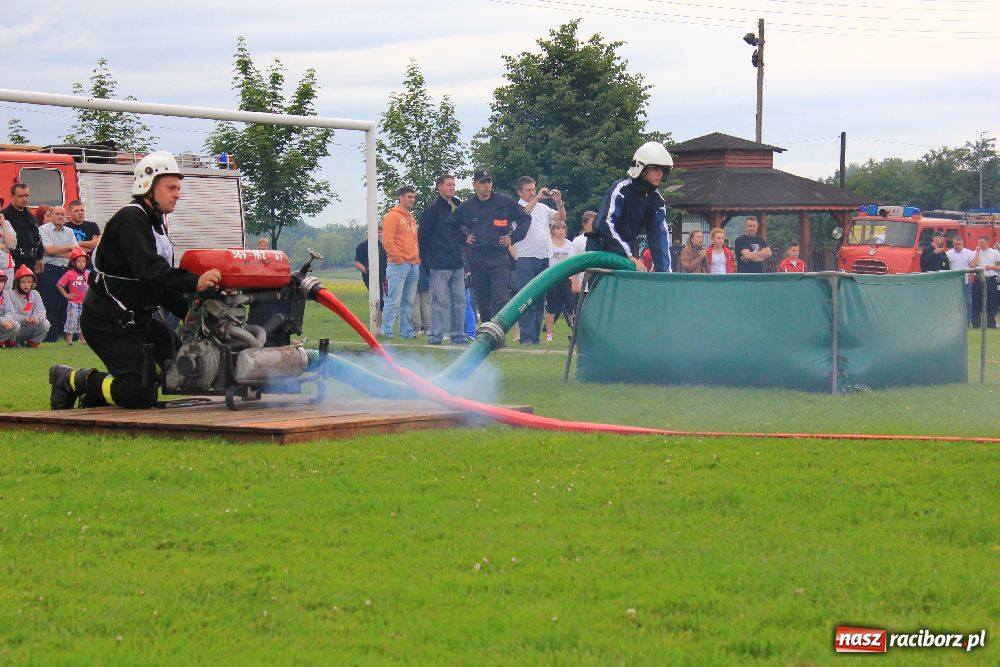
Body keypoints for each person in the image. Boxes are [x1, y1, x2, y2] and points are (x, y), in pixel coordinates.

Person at [48, 151, 222, 410]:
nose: (177, 193)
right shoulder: (132, 218)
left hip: (139, 319)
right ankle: (72, 379)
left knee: (188, 370)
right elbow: (149, 270)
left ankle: (99, 396)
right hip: (108, 322)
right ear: (149, 187)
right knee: (139, 393)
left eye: (178, 188)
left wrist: (187, 311)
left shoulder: (155, 222)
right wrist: (194, 281)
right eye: (171, 187)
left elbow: (156, 283)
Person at [449, 169, 532, 327]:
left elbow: (526, 218)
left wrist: (512, 237)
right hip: (477, 257)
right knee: (482, 298)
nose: (487, 185)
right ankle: (486, 335)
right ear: (475, 185)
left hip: (499, 257)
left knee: (500, 297)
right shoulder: (467, 206)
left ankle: (498, 334)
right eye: (483, 182)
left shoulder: (504, 202)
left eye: (489, 182)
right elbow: (450, 224)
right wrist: (463, 238)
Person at [588, 141, 672, 272]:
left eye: (663, 169)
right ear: (641, 169)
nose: (660, 173)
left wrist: (666, 275)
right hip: (601, 249)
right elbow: (605, 224)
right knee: (603, 292)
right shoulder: (621, 189)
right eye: (655, 168)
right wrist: (628, 255)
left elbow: (659, 237)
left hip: (627, 253)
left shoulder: (656, 200)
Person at [418, 174, 468, 345]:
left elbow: (464, 231)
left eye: (454, 184)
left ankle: (458, 334)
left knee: (460, 301)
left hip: (458, 262)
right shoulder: (432, 211)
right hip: (439, 263)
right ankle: (435, 335)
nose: (452, 187)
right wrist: (427, 261)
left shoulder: (459, 206)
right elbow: (423, 238)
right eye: (448, 184)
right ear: (440, 187)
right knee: (438, 301)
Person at [514, 176, 565, 345]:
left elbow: (560, 218)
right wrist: (535, 199)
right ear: (520, 192)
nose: (532, 193)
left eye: (533, 189)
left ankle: (534, 338)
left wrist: (559, 202)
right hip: (526, 258)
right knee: (527, 299)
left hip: (544, 257)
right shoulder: (517, 207)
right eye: (528, 190)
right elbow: (523, 214)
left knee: (539, 300)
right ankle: (526, 337)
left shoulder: (542, 208)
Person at [379, 186, 421, 339]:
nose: (412, 200)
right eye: (409, 197)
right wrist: (398, 257)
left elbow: (414, 240)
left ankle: (405, 331)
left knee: (408, 301)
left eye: (413, 197)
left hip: (413, 263)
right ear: (401, 198)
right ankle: (387, 331)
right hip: (398, 264)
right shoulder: (392, 216)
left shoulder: (410, 217)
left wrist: (417, 258)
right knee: (393, 300)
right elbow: (387, 240)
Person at [39, 205, 79, 341]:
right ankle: (50, 336)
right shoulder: (43, 230)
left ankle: (69, 335)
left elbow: (76, 254)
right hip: (50, 270)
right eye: (57, 214)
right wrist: (68, 248)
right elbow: (48, 250)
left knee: (67, 303)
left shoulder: (69, 231)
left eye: (62, 214)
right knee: (51, 303)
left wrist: (58, 252)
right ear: (51, 216)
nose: (60, 217)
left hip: (66, 270)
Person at [543, 220, 579, 342]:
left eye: (563, 229)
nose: (561, 231)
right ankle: (549, 333)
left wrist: (574, 280)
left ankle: (574, 332)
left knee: (571, 306)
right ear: (553, 230)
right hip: (553, 278)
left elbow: (574, 263)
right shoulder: (548, 243)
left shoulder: (570, 244)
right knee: (551, 307)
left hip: (567, 278)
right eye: (558, 228)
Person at [3, 183, 43, 273]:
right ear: (12, 196)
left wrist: (39, 258)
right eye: (20, 196)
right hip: (13, 262)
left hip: (31, 261)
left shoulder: (31, 216)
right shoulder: (4, 216)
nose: (24, 199)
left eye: (26, 195)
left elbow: (37, 237)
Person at [8, 264, 49, 347]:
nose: (26, 285)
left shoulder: (35, 294)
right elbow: (9, 315)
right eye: (23, 282)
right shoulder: (10, 295)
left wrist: (36, 318)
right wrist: (24, 319)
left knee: (45, 323)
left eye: (29, 282)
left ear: (32, 283)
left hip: (29, 326)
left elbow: (41, 311)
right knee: (11, 325)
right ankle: (11, 342)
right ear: (17, 282)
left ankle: (31, 345)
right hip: (15, 328)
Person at [56, 247, 90, 345]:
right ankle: (69, 341)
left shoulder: (88, 274)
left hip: (84, 303)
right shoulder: (69, 273)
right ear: (73, 262)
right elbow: (59, 284)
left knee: (83, 322)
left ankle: (83, 340)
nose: (81, 263)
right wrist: (66, 295)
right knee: (71, 321)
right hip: (73, 303)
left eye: (83, 261)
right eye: (78, 261)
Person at [969, 235, 1000, 329]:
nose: (979, 244)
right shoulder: (974, 253)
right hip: (979, 278)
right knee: (976, 301)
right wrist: (977, 253)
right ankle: (976, 324)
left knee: (991, 302)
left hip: (991, 279)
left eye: (981, 242)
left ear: (987, 242)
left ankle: (991, 324)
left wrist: (991, 267)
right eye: (978, 242)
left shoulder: (995, 253)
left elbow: (999, 267)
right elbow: (972, 266)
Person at [946, 235, 975, 325]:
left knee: (968, 301)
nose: (957, 246)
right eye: (955, 244)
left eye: (959, 244)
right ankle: (954, 321)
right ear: (953, 243)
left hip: (966, 281)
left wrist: (972, 275)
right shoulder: (948, 253)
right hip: (953, 282)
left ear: (963, 243)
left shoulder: (969, 252)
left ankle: (967, 320)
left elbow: (972, 265)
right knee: (953, 303)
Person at [410, 264, 431, 336]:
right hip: (425, 278)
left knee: (415, 304)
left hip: (413, 277)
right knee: (425, 304)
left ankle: (417, 329)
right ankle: (427, 328)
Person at [0, 272, 20, 347]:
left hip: (2, 322)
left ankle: (2, 340)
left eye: (1, 281)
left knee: (16, 325)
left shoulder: (5, 294)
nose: (0, 284)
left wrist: (7, 320)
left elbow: (10, 311)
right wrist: (3, 321)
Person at [0, 210, 16, 284]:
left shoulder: (6, 223)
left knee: (7, 294)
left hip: (6, 266)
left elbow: (11, 245)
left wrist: (3, 224)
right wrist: (1, 245)